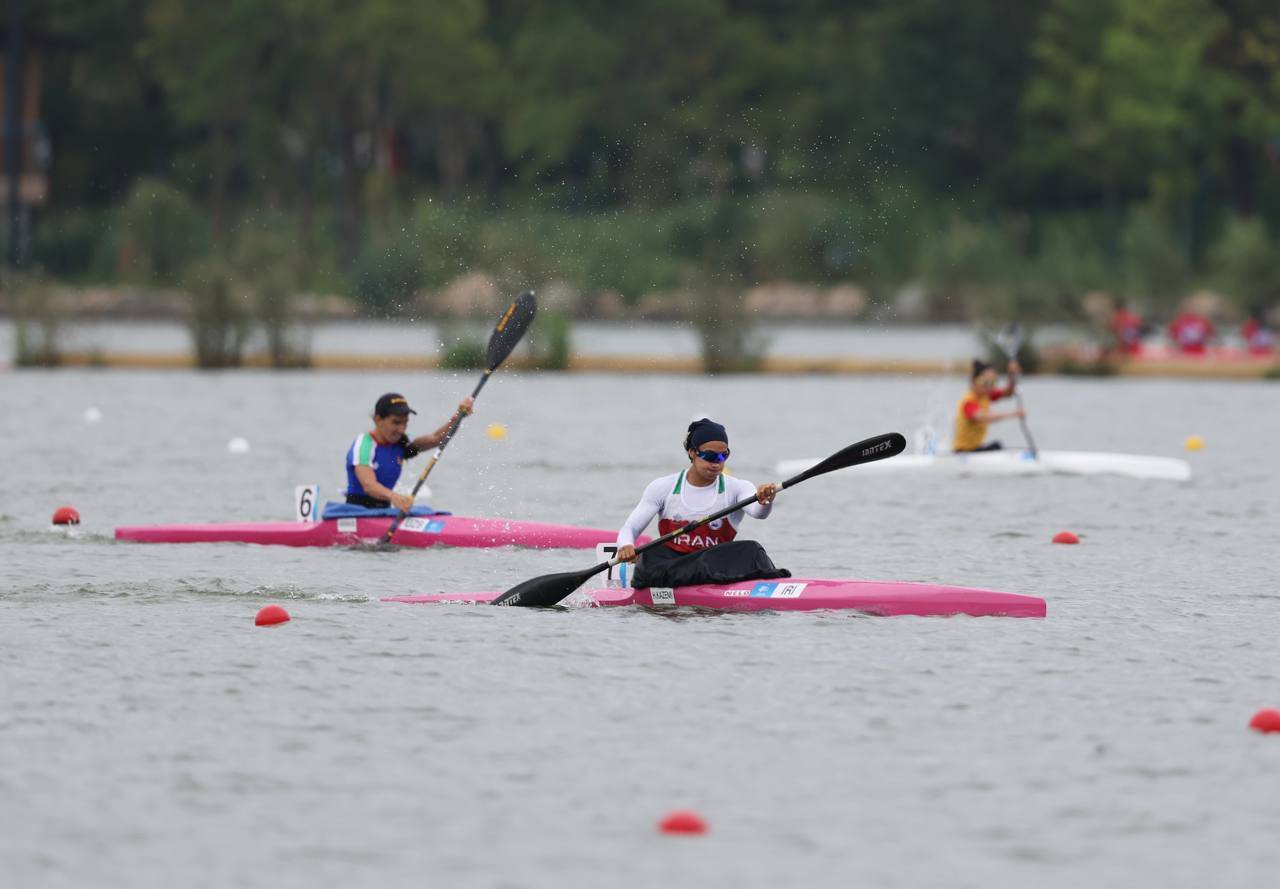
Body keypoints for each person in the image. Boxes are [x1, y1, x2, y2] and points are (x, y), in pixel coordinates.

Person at [614, 418, 789, 588]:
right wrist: (626, 546)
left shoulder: (737, 487)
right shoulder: (663, 487)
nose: (717, 463)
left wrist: (765, 501)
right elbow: (630, 529)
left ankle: (772, 587)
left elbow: (759, 513)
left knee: (752, 549)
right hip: (674, 564)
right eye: (710, 456)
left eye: (723, 456)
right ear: (691, 452)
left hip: (714, 563)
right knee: (649, 555)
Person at [345, 392, 473, 510]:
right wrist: (394, 497)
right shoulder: (364, 445)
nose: (401, 430)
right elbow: (369, 486)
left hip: (384, 513)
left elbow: (437, 439)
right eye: (396, 423)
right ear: (378, 419)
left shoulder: (401, 443)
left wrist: (459, 415)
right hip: (357, 513)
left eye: (405, 423)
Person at [953, 359, 1024, 452]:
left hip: (976, 449)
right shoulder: (968, 402)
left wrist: (1011, 374)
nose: (989, 387)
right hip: (963, 452)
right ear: (974, 382)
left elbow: (1008, 392)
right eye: (985, 383)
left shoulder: (985, 395)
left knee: (997, 445)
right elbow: (983, 416)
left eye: (992, 382)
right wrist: (1013, 414)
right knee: (997, 446)